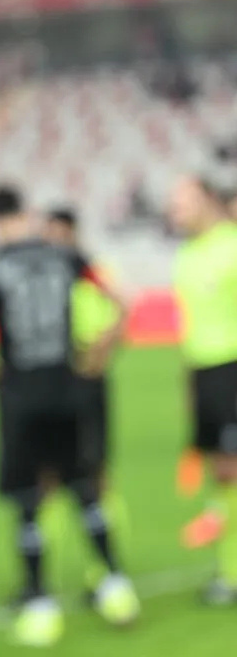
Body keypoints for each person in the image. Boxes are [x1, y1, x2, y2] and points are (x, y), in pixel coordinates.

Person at [0, 185, 139, 647]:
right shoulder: (64, 255)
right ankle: (116, 587)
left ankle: (39, 603)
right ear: (27, 212)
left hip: (20, 395)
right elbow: (124, 300)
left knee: (29, 500)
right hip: (67, 388)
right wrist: (101, 351)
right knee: (85, 489)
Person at [41, 206, 132, 596]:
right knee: (49, 475)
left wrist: (100, 350)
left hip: (86, 380)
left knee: (95, 472)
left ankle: (105, 568)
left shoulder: (92, 270)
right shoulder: (46, 274)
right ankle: (48, 573)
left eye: (60, 235)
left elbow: (124, 309)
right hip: (52, 380)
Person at [167, 174, 237, 606]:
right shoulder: (186, 256)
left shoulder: (232, 246)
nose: (175, 210)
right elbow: (190, 327)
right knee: (221, 473)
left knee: (231, 471)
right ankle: (228, 570)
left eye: (184, 201)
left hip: (233, 367)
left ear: (208, 200)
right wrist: (189, 388)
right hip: (204, 373)